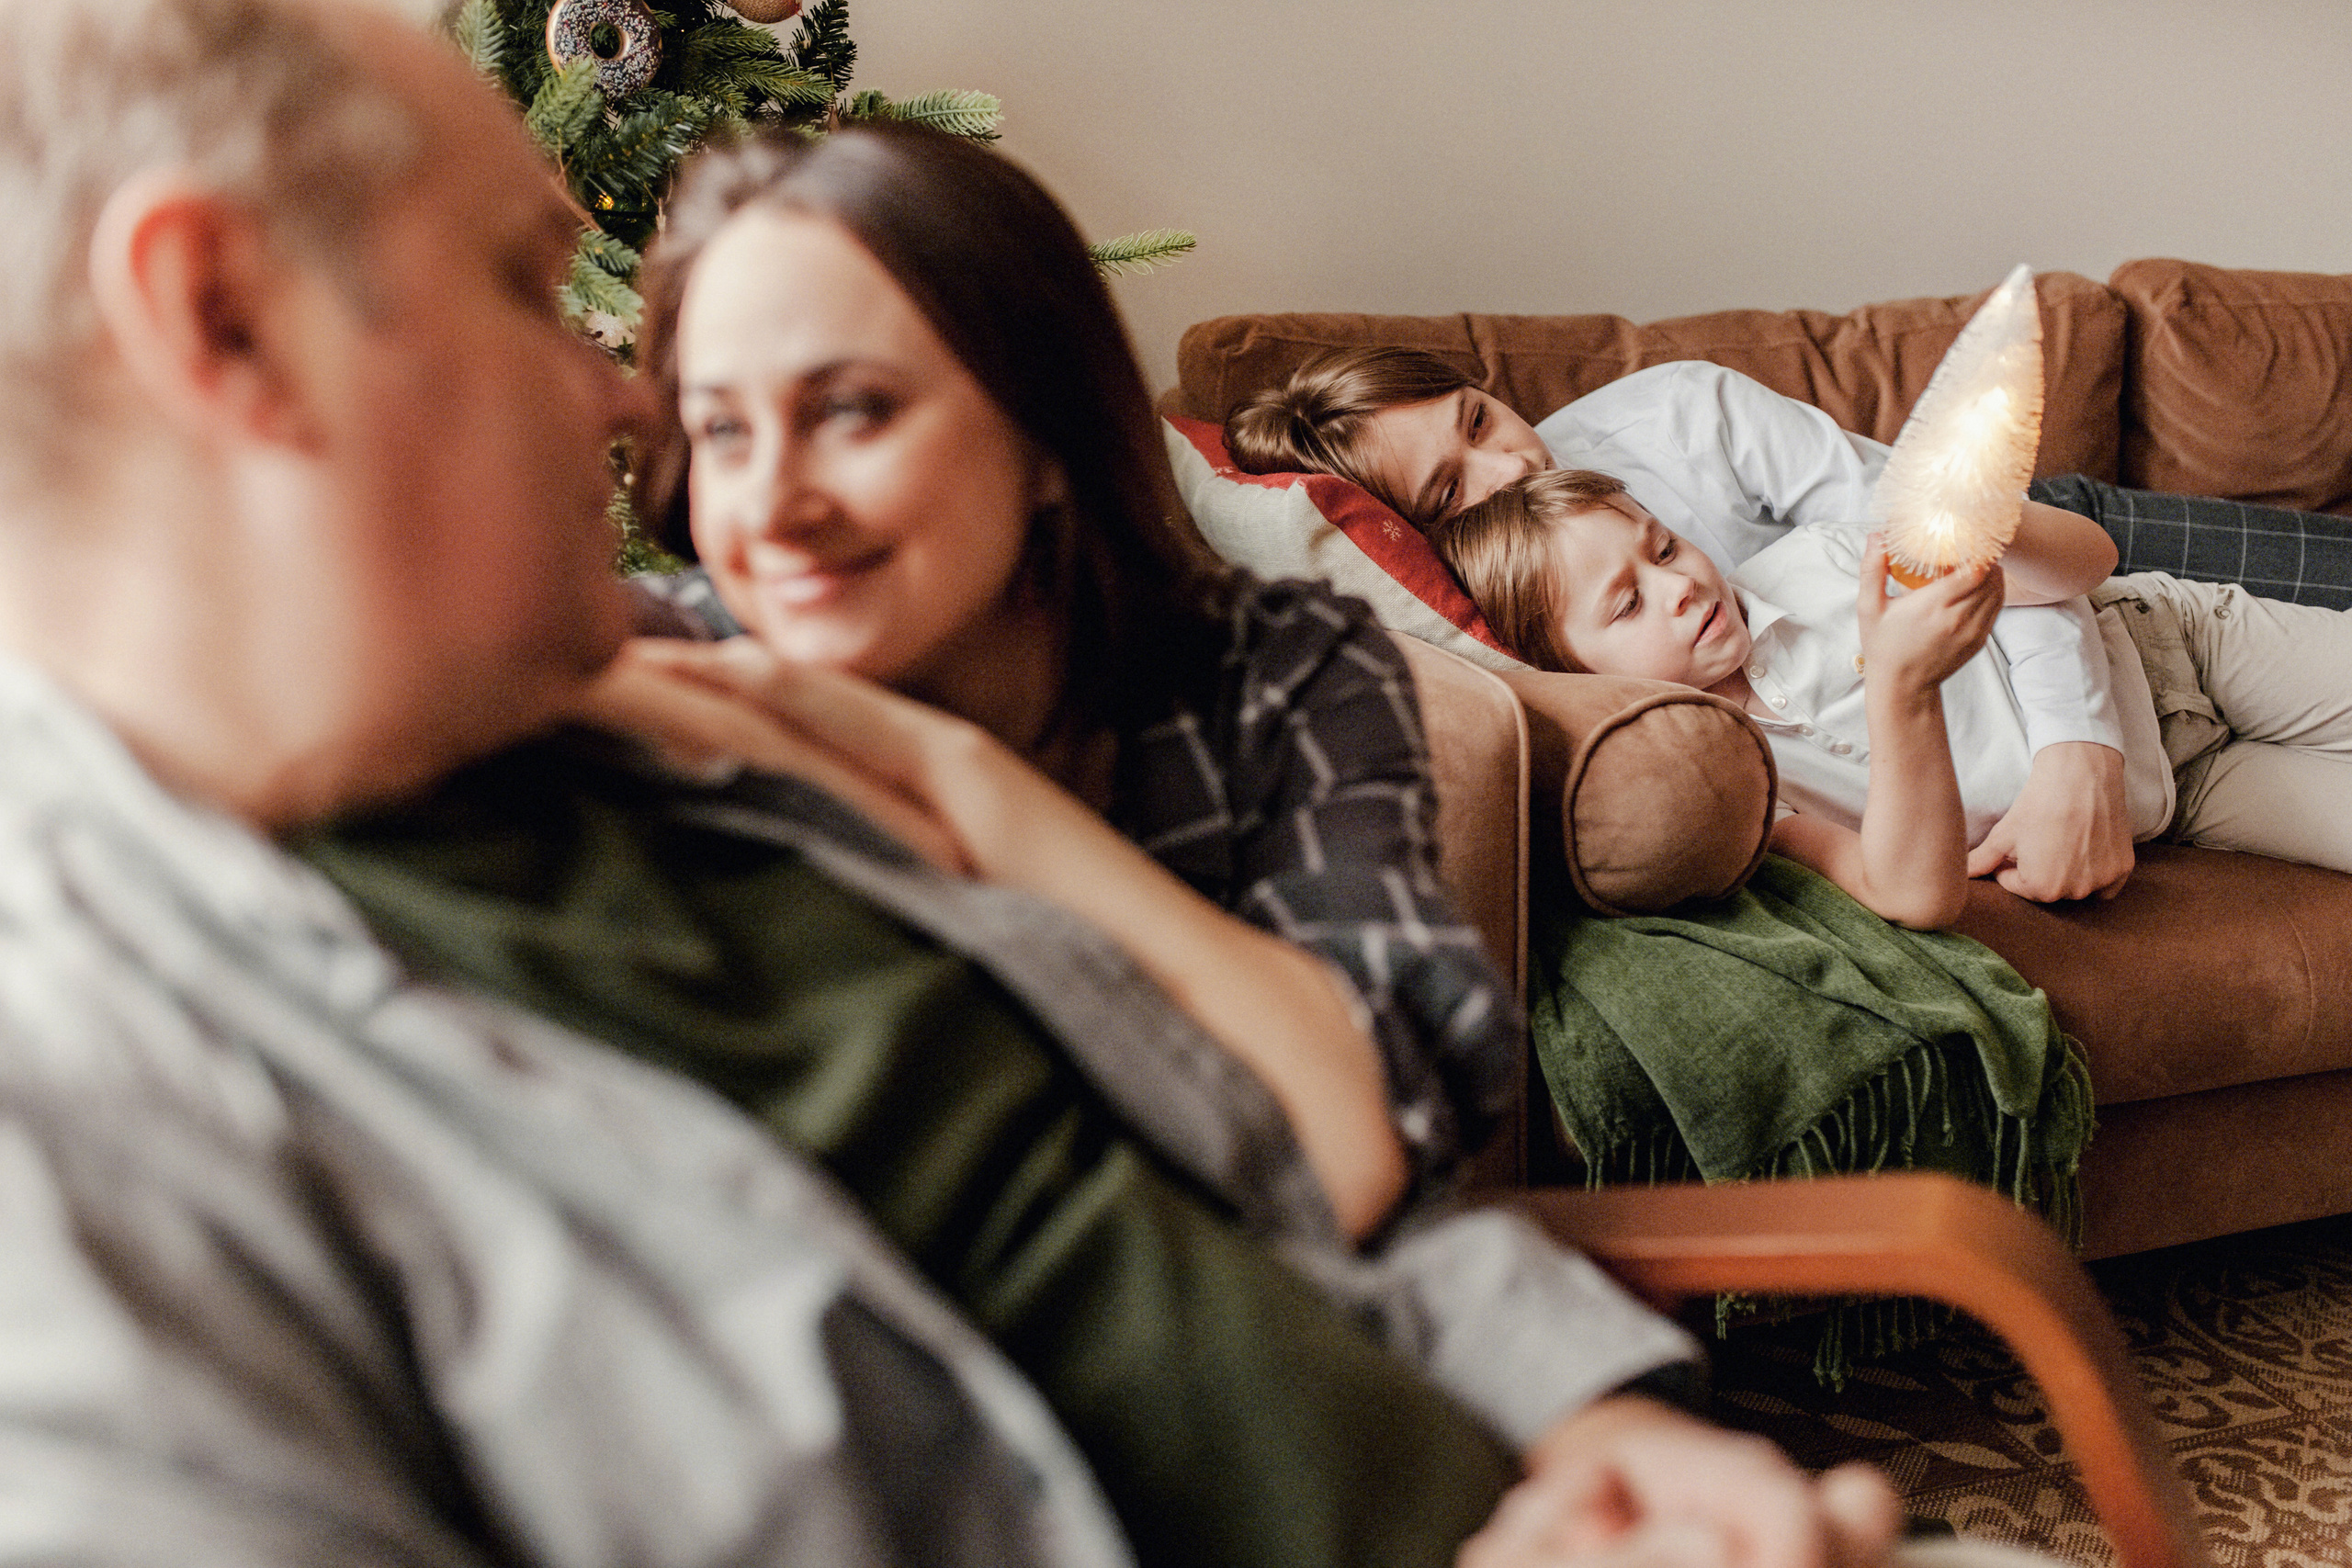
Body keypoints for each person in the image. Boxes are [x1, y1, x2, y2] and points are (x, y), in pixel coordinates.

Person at [0, 2, 1917, 1566]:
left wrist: (1615, 1437)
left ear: (1044, 445)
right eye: (525, 279)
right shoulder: (99, 1111)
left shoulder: (658, 736)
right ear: (223, 322)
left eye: (847, 407)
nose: (634, 421)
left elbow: (1280, 1192)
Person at [622, 125, 1512, 1242]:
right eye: (719, 430)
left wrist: (971, 787)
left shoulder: (1281, 679)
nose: (768, 509)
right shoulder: (639, 683)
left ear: (1045, 435)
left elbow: (1367, 1148)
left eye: (850, 409)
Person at [1225, 344, 2349, 906]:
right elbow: (1894, 877)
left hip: (2104, 584)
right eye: (1448, 491)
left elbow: (1966, 542)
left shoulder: (1684, 424)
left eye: (1477, 417)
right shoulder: (1592, 677)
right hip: (2186, 778)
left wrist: (2078, 746)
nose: (1512, 460)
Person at [1428, 469, 2132, 930]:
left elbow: (2090, 561)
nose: (1679, 587)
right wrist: (1899, 686)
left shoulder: (1819, 558)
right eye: (1628, 604)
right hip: (2175, 797)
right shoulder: (1732, 778)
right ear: (1576, 673)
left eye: (1666, 549)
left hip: (2174, 639)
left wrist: (1986, 522)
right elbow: (1912, 894)